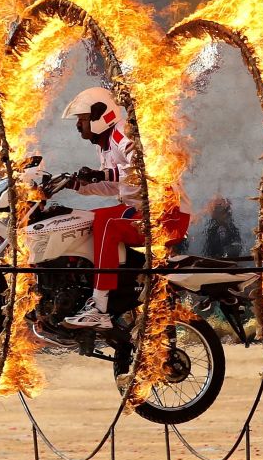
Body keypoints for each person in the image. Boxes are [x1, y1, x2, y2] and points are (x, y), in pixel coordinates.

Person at [59, 87, 189, 329]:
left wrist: (102, 173)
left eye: (83, 120)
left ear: (101, 116)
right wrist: (79, 185)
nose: (79, 127)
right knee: (85, 220)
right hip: (140, 210)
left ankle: (100, 306)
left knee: (109, 225)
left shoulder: (122, 133)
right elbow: (115, 186)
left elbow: (143, 170)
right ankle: (93, 287)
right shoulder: (104, 145)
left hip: (166, 214)